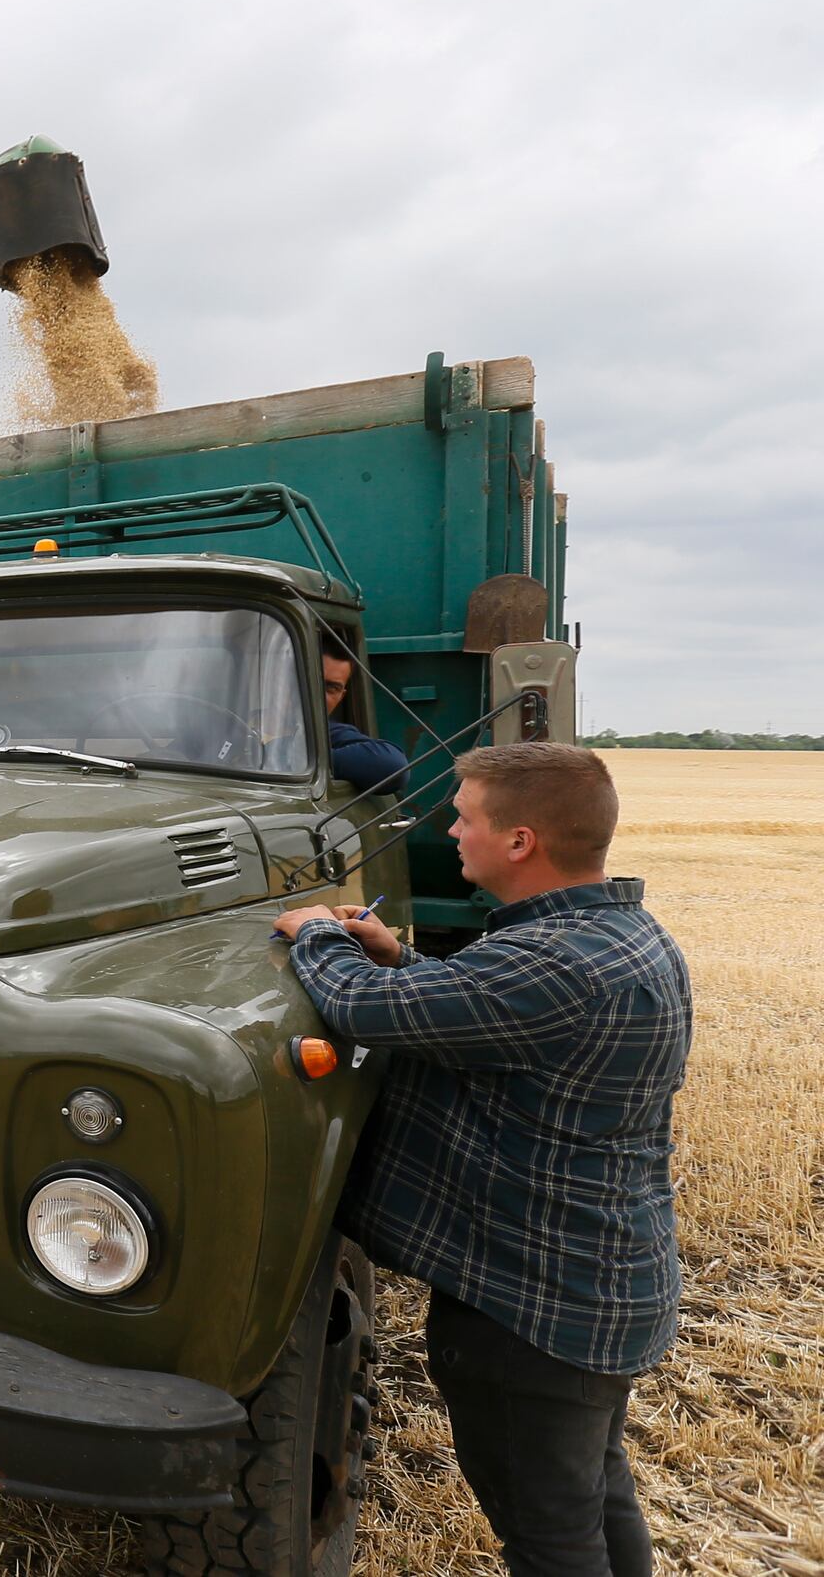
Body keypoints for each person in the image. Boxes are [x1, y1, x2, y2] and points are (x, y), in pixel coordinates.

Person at [273, 742, 690, 1577]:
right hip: (603, 1286)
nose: (452, 830)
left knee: (551, 1541)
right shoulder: (617, 936)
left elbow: (362, 1007)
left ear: (520, 842)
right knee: (596, 1503)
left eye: (464, 816)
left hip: (533, 1312)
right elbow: (495, 1019)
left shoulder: (556, 964)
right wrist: (404, 958)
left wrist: (319, 935)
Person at [323, 649, 407, 792]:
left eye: (331, 688)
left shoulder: (325, 733)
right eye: (310, 682)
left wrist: (305, 762)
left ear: (341, 696)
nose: (319, 695)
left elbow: (392, 765)